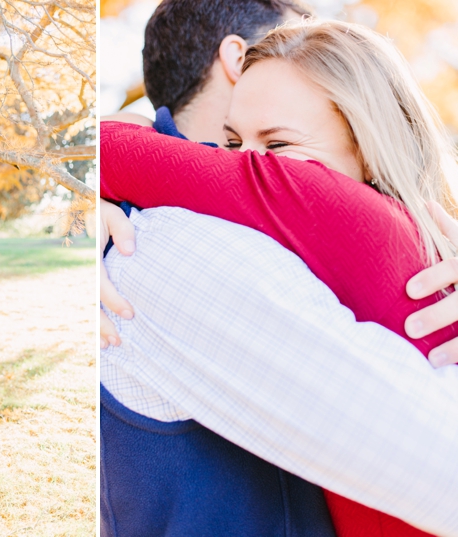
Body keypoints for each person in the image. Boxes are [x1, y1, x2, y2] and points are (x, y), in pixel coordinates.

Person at [101, 18, 458, 537]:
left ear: (369, 146)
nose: (246, 167)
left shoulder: (362, 224)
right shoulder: (418, 238)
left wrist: (106, 166)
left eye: (280, 145)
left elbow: (114, 148)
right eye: (229, 143)